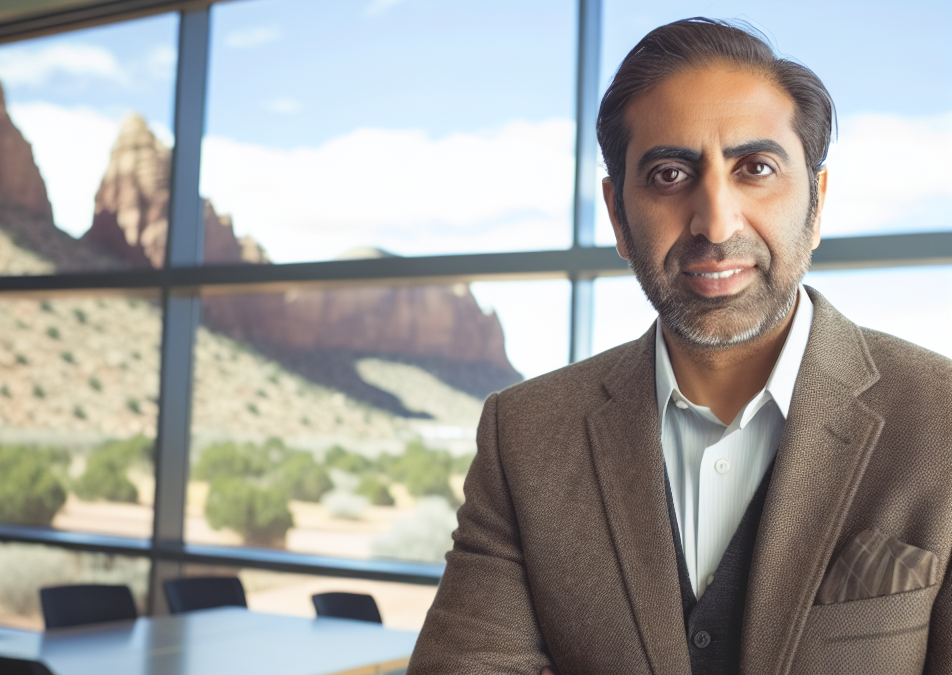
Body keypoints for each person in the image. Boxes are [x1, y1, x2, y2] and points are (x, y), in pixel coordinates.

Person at [407, 18, 952, 675]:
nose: (715, 222)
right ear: (617, 216)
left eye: (755, 168)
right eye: (669, 174)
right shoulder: (524, 435)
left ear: (817, 203)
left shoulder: (941, 419)